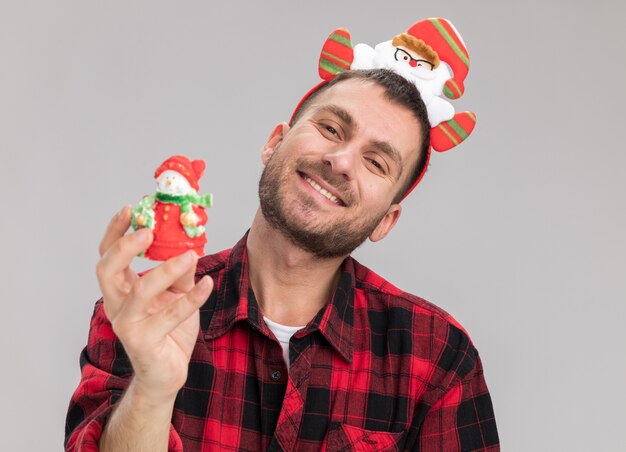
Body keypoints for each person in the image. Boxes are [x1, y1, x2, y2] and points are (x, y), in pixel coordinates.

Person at [65, 69, 499, 451]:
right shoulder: (146, 311)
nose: (341, 161)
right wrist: (153, 390)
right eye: (331, 129)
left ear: (386, 221)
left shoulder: (437, 355)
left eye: (376, 162)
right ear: (274, 144)